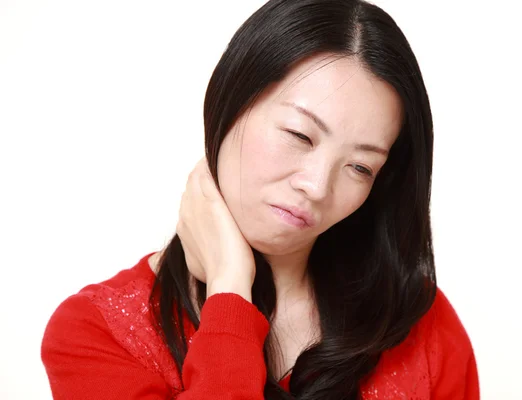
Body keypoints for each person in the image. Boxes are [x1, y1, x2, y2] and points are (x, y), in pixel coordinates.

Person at [41, 0, 479, 398]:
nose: (318, 186)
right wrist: (230, 288)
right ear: (229, 102)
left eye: (361, 167)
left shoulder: (417, 323)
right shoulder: (97, 332)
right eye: (299, 135)